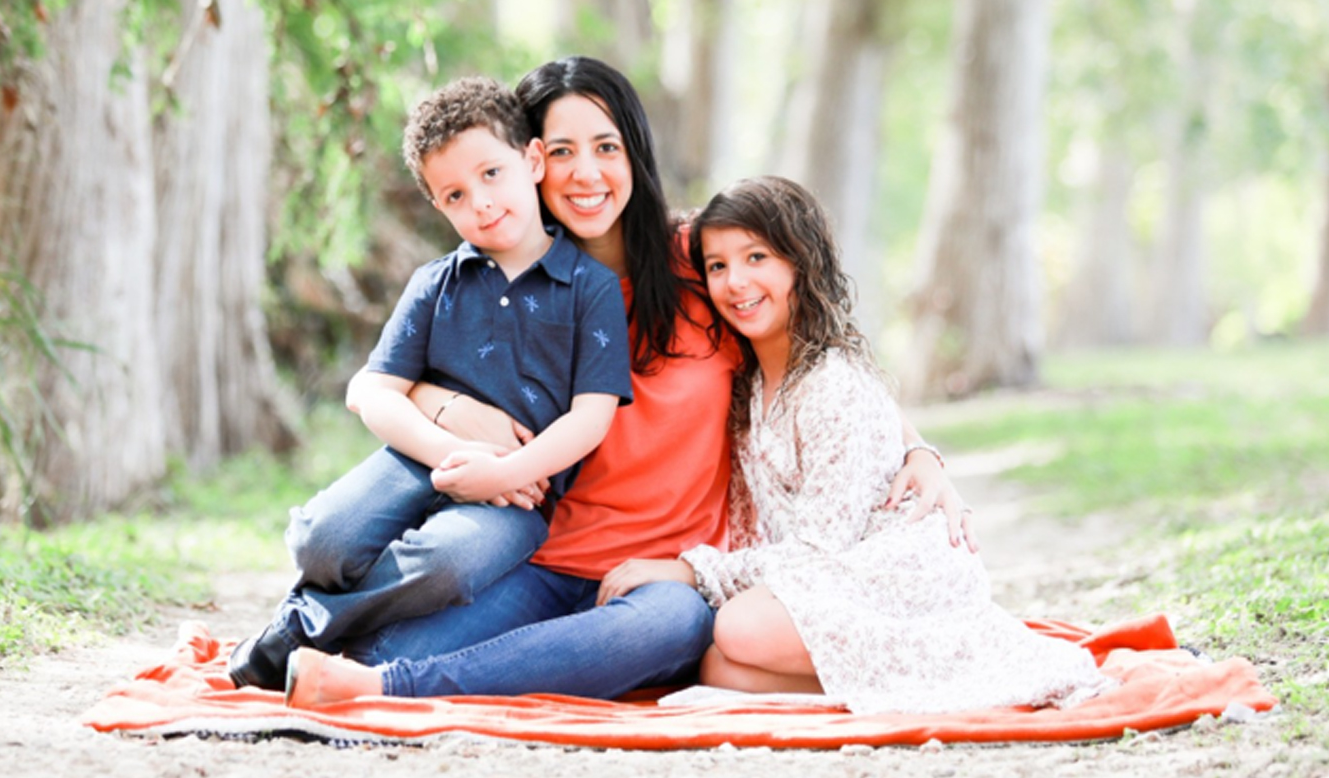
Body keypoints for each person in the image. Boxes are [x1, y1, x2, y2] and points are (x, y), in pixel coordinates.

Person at [278, 57, 975, 707]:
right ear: (529, 161)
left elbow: (813, 353)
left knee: (664, 632)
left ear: (634, 154)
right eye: (562, 152)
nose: (586, 174)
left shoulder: (702, 259)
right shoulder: (505, 279)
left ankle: (392, 689)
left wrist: (917, 450)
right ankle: (362, 664)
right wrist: (448, 404)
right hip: (540, 558)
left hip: (669, 575)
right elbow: (394, 381)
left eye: (606, 147)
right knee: (378, 643)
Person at [228, 76, 633, 691]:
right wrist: (449, 452)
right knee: (321, 542)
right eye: (455, 194)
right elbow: (377, 391)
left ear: (530, 160)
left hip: (516, 494)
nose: (481, 203)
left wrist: (502, 472)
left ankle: (302, 625)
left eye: (492, 175)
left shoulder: (590, 288)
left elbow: (592, 416)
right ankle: (311, 612)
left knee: (447, 564)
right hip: (418, 457)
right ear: (438, 207)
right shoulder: (435, 283)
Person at [670, 175, 1110, 713]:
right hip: (833, 575)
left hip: (895, 570)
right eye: (717, 266)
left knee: (738, 626)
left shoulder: (832, 381)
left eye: (756, 257)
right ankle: (901, 686)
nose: (735, 281)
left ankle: (966, 665)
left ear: (800, 262)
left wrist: (694, 570)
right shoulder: (750, 384)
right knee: (721, 666)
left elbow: (820, 547)